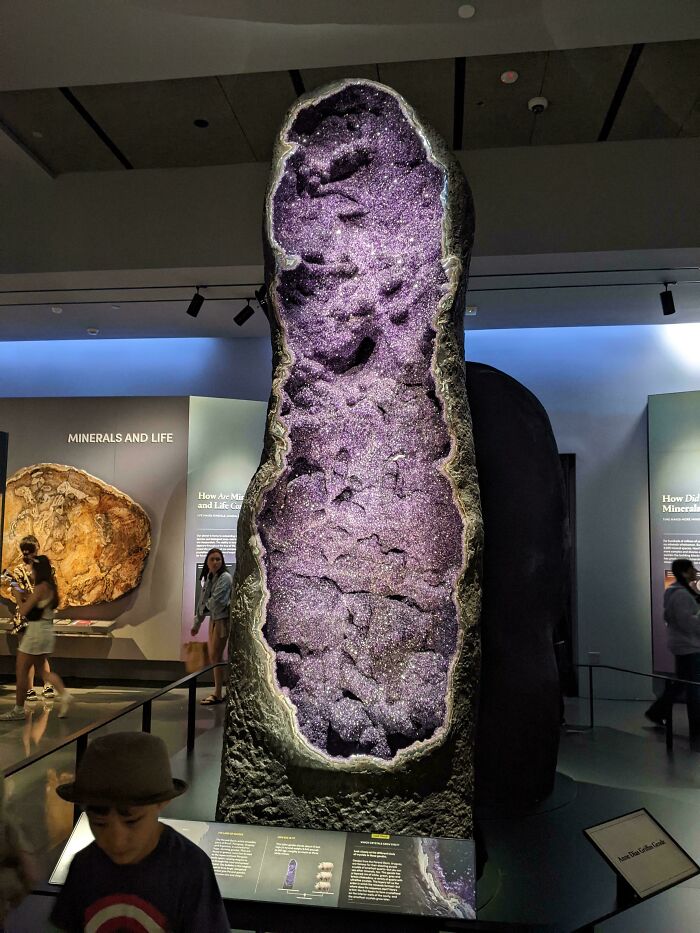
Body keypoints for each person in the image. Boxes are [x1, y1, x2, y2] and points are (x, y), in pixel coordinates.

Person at [50, 732, 230, 933]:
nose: (116, 840)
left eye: (132, 820)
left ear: (162, 802)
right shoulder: (84, 866)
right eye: (99, 822)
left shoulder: (189, 868)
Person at [0, 555, 72, 721]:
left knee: (21, 670)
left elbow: (24, 609)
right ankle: (65, 695)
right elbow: (31, 599)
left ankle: (18, 710)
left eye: (31, 568)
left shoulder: (40, 588)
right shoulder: (49, 587)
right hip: (44, 631)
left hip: (35, 634)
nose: (29, 571)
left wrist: (16, 593)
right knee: (43, 671)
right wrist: (16, 586)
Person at [645, 558, 700, 751]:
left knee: (683, 683)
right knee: (693, 687)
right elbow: (689, 623)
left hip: (684, 644)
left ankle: (656, 711)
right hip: (689, 645)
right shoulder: (682, 595)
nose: (695, 571)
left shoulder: (676, 592)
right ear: (685, 572)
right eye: (692, 568)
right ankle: (696, 726)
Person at [1, 535, 55, 700]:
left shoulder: (46, 568)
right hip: (26, 615)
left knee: (40, 654)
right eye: (25, 552)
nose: (28, 555)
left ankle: (48, 685)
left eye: (31, 551)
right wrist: (15, 587)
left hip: (40, 613)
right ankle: (29, 689)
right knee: (26, 654)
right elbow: (20, 591)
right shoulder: (19, 570)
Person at [191, 548, 232, 705]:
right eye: (212, 559)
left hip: (222, 620)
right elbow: (204, 602)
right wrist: (197, 624)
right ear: (207, 562)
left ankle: (218, 693)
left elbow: (217, 603)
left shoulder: (225, 578)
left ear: (222, 562)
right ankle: (218, 692)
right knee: (215, 657)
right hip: (215, 620)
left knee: (216, 657)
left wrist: (207, 605)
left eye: (218, 559)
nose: (215, 562)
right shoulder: (210, 577)